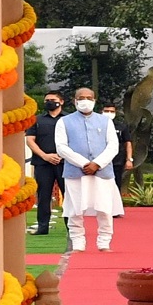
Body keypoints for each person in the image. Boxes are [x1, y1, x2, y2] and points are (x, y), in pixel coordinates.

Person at [55, 87, 123, 253]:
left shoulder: (106, 121)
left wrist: (97, 164)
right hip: (76, 172)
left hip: (102, 172)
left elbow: (113, 146)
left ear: (94, 100)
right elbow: (61, 147)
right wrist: (84, 163)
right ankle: (78, 243)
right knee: (74, 209)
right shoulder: (64, 122)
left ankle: (104, 242)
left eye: (88, 97)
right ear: (74, 100)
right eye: (81, 97)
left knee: (105, 208)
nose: (85, 100)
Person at [25, 91, 66, 236]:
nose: (49, 102)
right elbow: (30, 140)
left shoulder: (69, 120)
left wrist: (63, 155)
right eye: (47, 100)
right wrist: (45, 156)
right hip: (42, 163)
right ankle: (43, 227)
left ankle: (72, 228)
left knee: (69, 195)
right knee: (43, 196)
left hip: (65, 163)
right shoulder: (36, 120)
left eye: (53, 99)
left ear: (61, 101)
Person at [102, 103, 134, 194]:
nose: (109, 113)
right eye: (106, 111)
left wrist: (129, 159)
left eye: (112, 111)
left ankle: (116, 206)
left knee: (116, 184)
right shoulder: (95, 125)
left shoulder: (121, 126)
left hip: (117, 161)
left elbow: (128, 143)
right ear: (102, 112)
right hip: (99, 161)